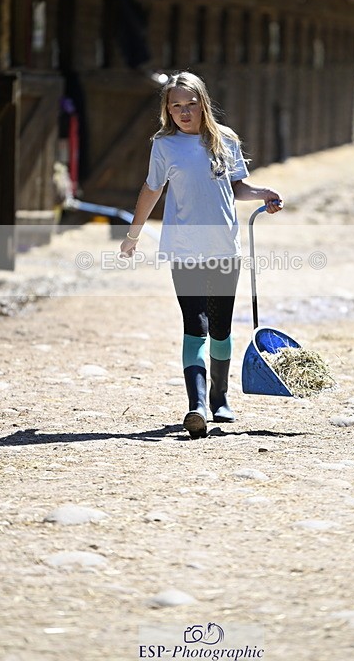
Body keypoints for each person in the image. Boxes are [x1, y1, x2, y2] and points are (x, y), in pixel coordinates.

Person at [120, 71, 282, 439]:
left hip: (225, 247)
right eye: (175, 105)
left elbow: (237, 186)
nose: (184, 111)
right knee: (196, 326)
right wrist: (133, 234)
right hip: (184, 249)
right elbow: (152, 189)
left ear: (203, 103)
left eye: (190, 104)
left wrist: (263, 193)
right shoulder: (164, 146)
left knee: (221, 328)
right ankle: (196, 406)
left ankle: (219, 397)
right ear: (167, 110)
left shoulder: (225, 141)